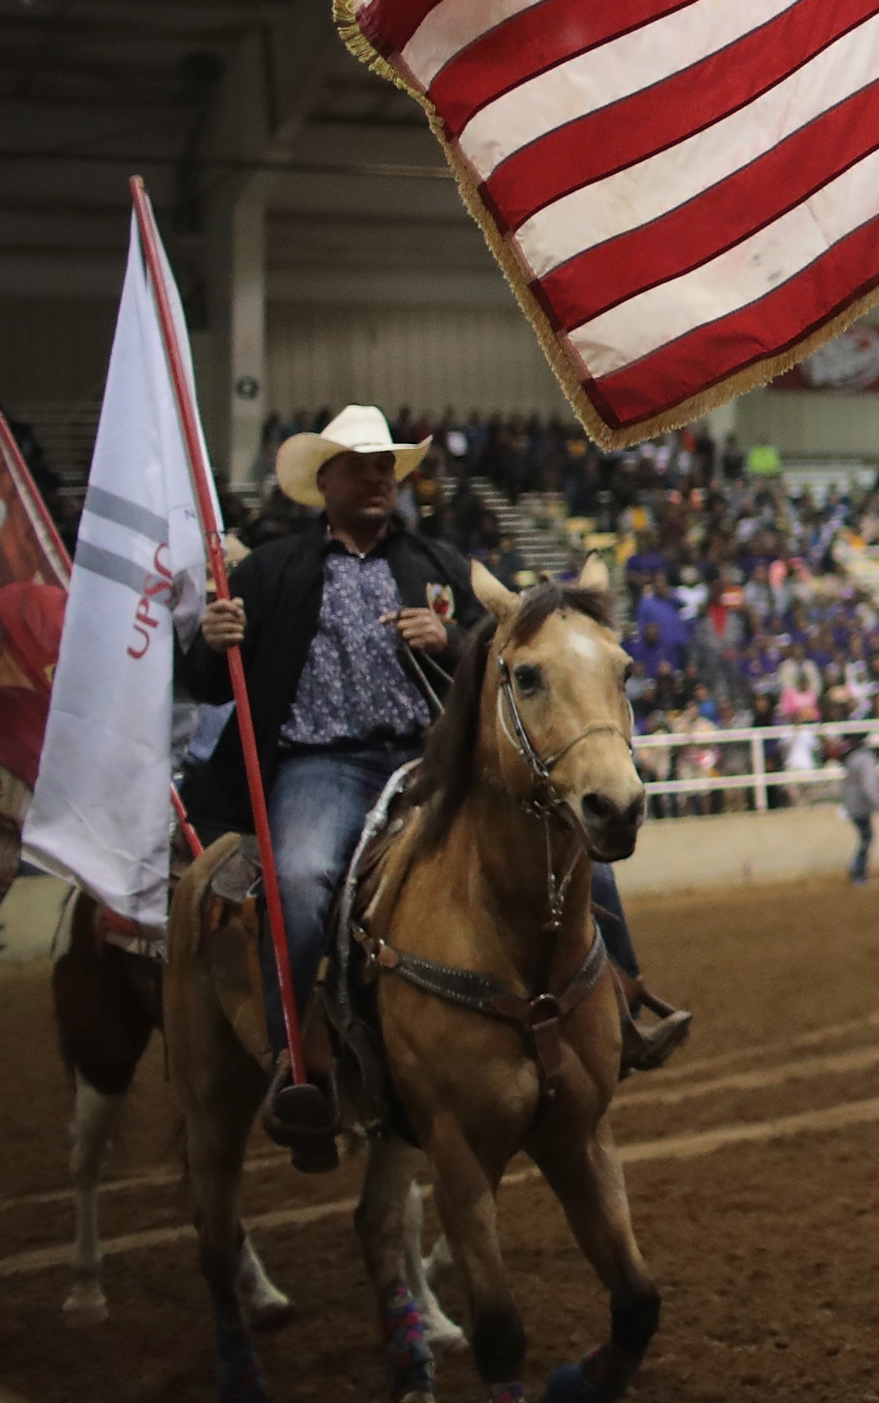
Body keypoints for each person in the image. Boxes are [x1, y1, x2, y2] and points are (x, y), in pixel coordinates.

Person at [190, 406, 686, 1167]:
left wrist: (450, 641)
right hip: (318, 764)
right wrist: (210, 639)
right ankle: (295, 1059)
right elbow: (201, 681)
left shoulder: (439, 564)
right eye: (360, 465)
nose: (378, 477)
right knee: (301, 877)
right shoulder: (270, 571)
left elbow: (508, 675)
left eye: (385, 465)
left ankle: (624, 994)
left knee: (569, 843)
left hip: (425, 760)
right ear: (323, 481)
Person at [839, 731, 879, 885]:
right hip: (860, 806)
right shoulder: (868, 760)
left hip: (851, 804)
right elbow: (869, 786)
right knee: (866, 837)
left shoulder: (855, 757)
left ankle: (857, 868)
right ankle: (859, 872)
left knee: (865, 836)